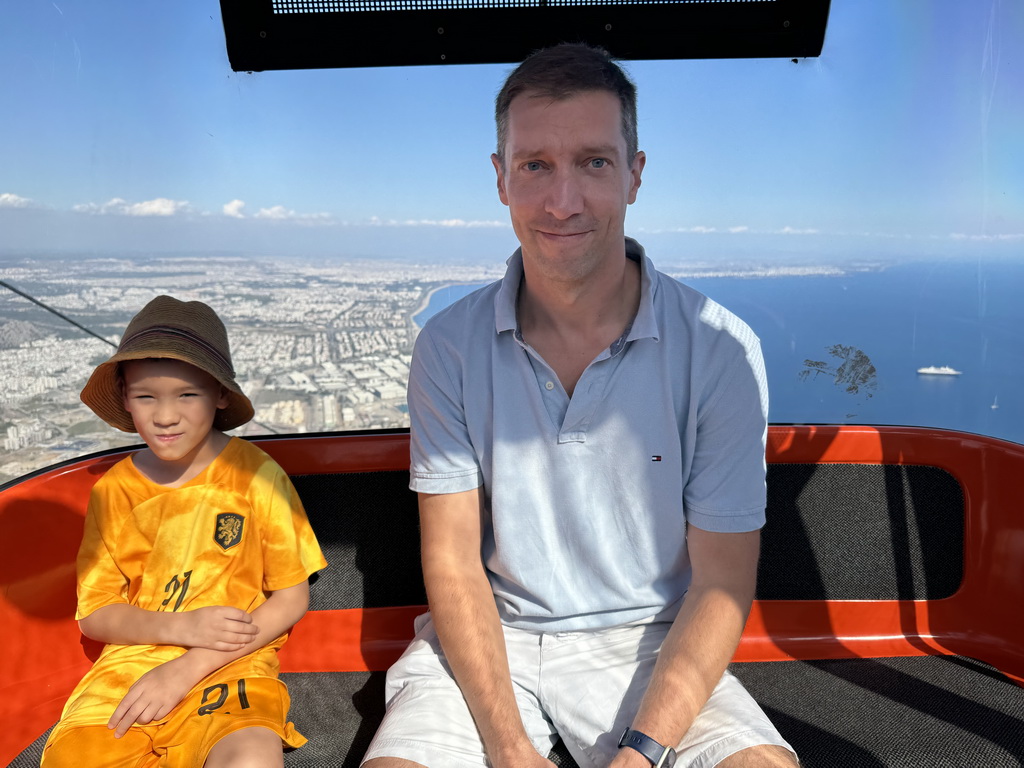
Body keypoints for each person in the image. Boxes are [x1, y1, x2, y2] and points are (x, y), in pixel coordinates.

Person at [362, 44, 798, 768]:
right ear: (501, 179)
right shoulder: (450, 346)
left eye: (593, 162)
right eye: (535, 165)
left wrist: (642, 754)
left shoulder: (719, 348)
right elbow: (453, 563)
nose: (562, 202)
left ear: (635, 174)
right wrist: (508, 747)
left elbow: (720, 581)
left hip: (653, 641)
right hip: (485, 637)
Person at [41, 295, 327, 768]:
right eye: (146, 396)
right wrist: (179, 628)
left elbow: (291, 597)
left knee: (251, 759)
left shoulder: (257, 476)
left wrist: (190, 663)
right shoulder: (113, 492)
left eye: (186, 395)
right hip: (129, 670)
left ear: (218, 395)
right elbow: (95, 614)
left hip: (232, 662)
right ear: (126, 398)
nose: (165, 416)